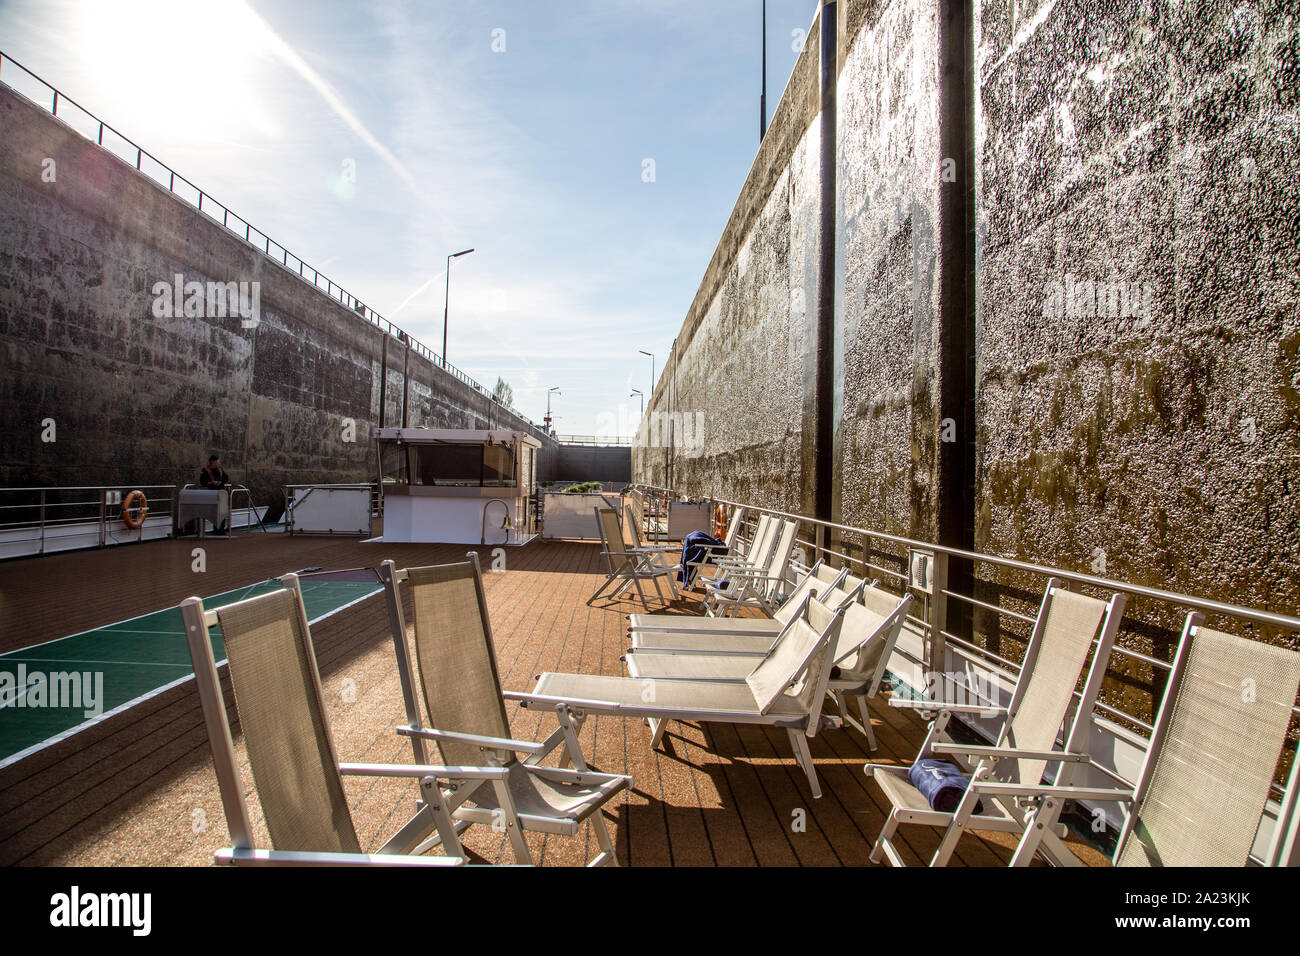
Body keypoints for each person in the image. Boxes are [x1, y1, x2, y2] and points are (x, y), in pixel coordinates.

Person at [198, 455, 231, 534]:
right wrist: (211, 483)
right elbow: (202, 482)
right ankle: (216, 528)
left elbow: (226, 478)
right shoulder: (205, 470)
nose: (218, 462)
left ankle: (221, 528)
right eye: (217, 461)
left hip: (221, 492)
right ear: (212, 461)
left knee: (222, 511)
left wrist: (220, 482)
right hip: (211, 492)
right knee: (214, 511)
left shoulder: (220, 469)